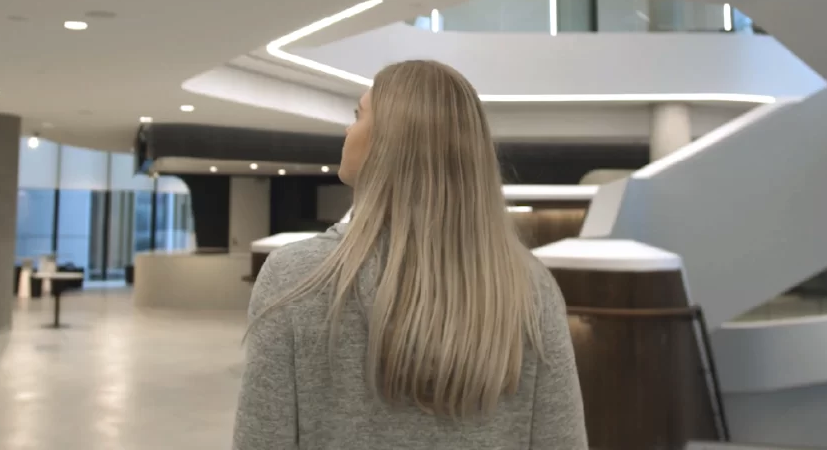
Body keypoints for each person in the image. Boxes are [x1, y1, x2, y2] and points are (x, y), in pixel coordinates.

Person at [233, 60, 586, 450]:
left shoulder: (295, 277)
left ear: (389, 142)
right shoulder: (529, 288)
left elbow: (262, 440)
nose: (348, 131)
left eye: (358, 116)